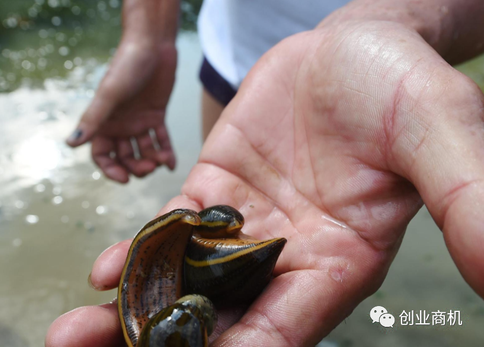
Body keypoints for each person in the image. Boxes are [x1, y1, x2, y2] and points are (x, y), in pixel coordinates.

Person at [51, 0, 484, 345]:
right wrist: (148, 34)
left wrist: (401, 19)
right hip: (234, 65)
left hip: (340, 92)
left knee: (307, 303)